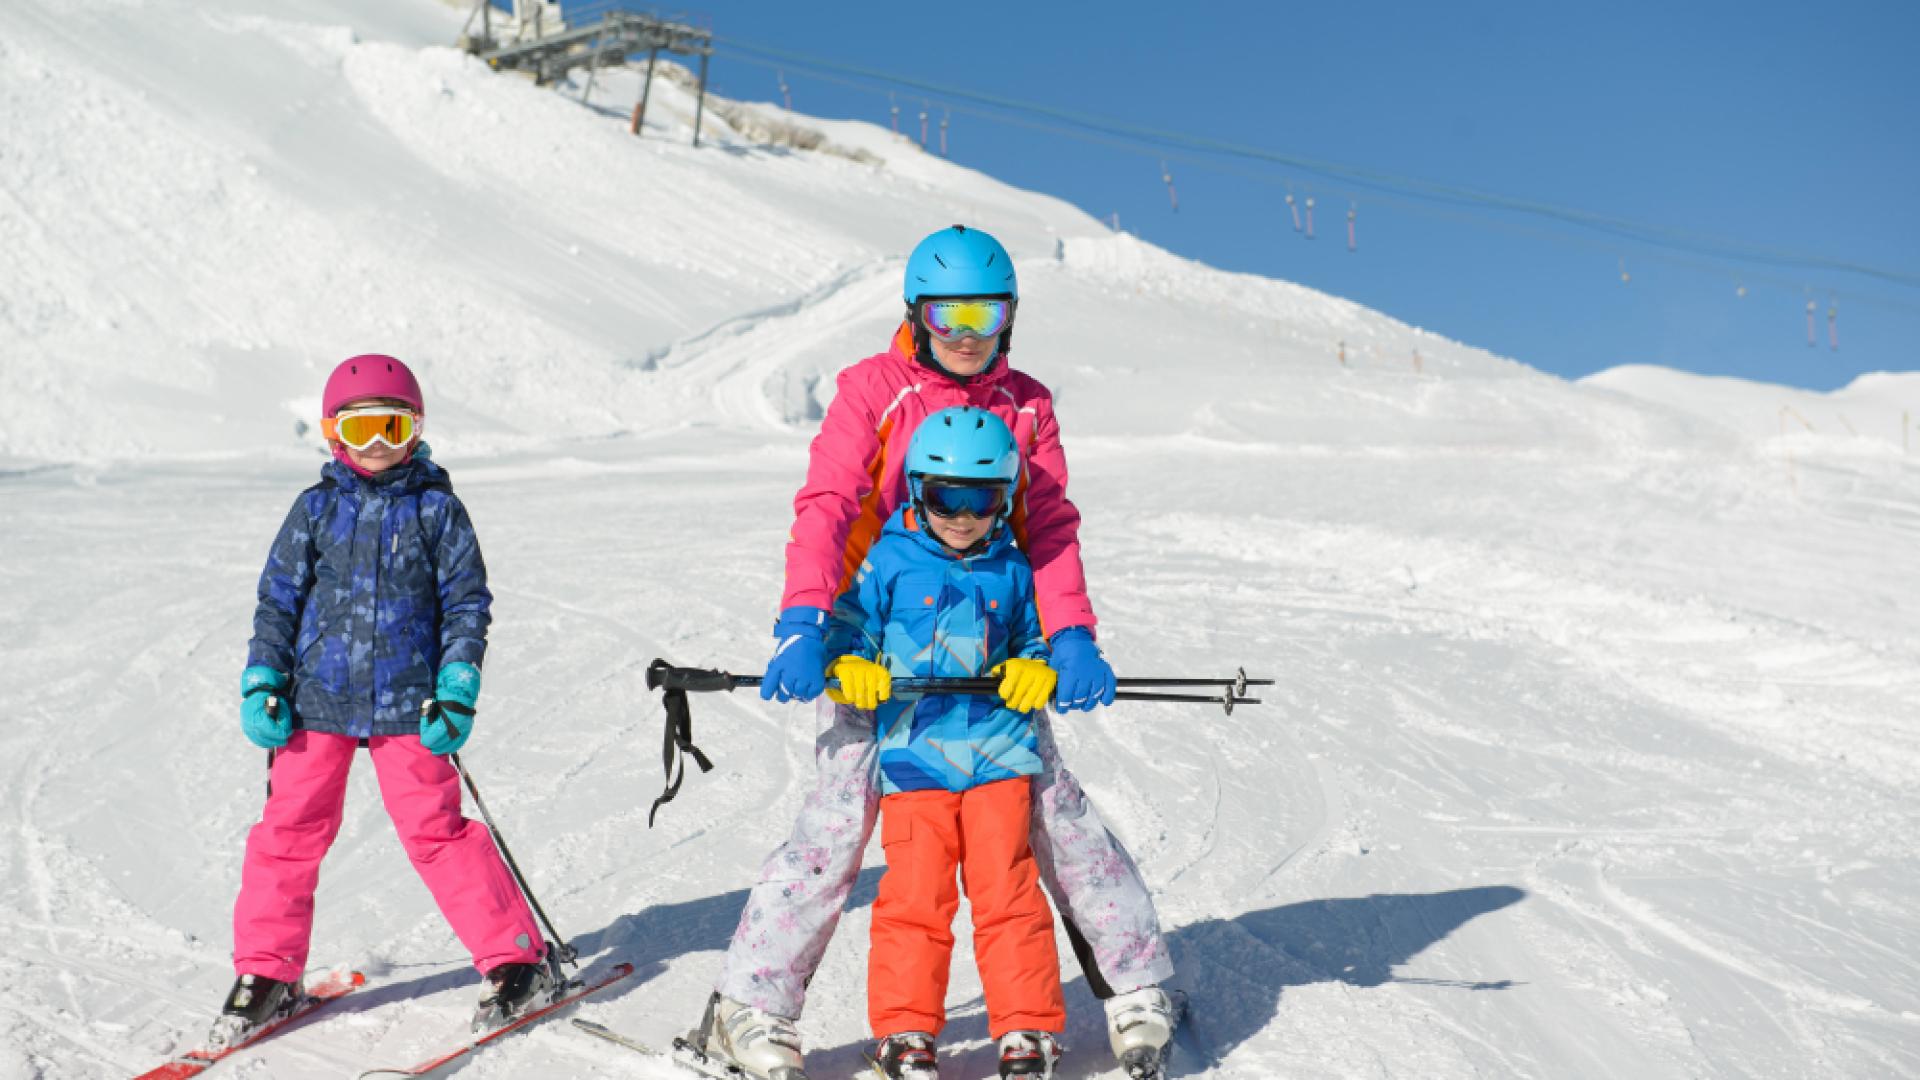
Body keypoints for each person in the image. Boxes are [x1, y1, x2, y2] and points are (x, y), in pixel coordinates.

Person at [691, 227, 1177, 1080]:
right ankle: (750, 1004)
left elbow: (1050, 524)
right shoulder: (872, 389)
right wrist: (810, 624)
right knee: (835, 827)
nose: (965, 332)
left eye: (984, 313)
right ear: (916, 313)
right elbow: (830, 504)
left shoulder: (1026, 405)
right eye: (947, 312)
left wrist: (1067, 636)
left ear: (1010, 317)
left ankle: (1137, 983)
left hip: (993, 650)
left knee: (1055, 818)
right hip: (870, 643)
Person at [211, 354, 552, 1048]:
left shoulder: (436, 510)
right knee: (288, 834)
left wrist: (457, 684)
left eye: (392, 427)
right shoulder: (315, 509)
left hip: (410, 705)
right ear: (334, 433)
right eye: (361, 429)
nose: (376, 445)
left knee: (437, 833)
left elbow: (465, 603)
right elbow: (278, 602)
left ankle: (517, 959)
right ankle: (268, 973)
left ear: (416, 429)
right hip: (316, 705)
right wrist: (263, 679)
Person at [834, 407, 1066, 1079]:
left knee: (1008, 892)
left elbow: (1034, 637)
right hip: (914, 758)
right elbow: (847, 626)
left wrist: (1036, 663)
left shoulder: (1014, 569)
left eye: (981, 498)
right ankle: (905, 1031)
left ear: (1003, 499)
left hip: (998, 755)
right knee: (914, 898)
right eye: (945, 497)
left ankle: (1028, 1027)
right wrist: (849, 662)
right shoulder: (889, 560)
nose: (961, 516)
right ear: (915, 489)